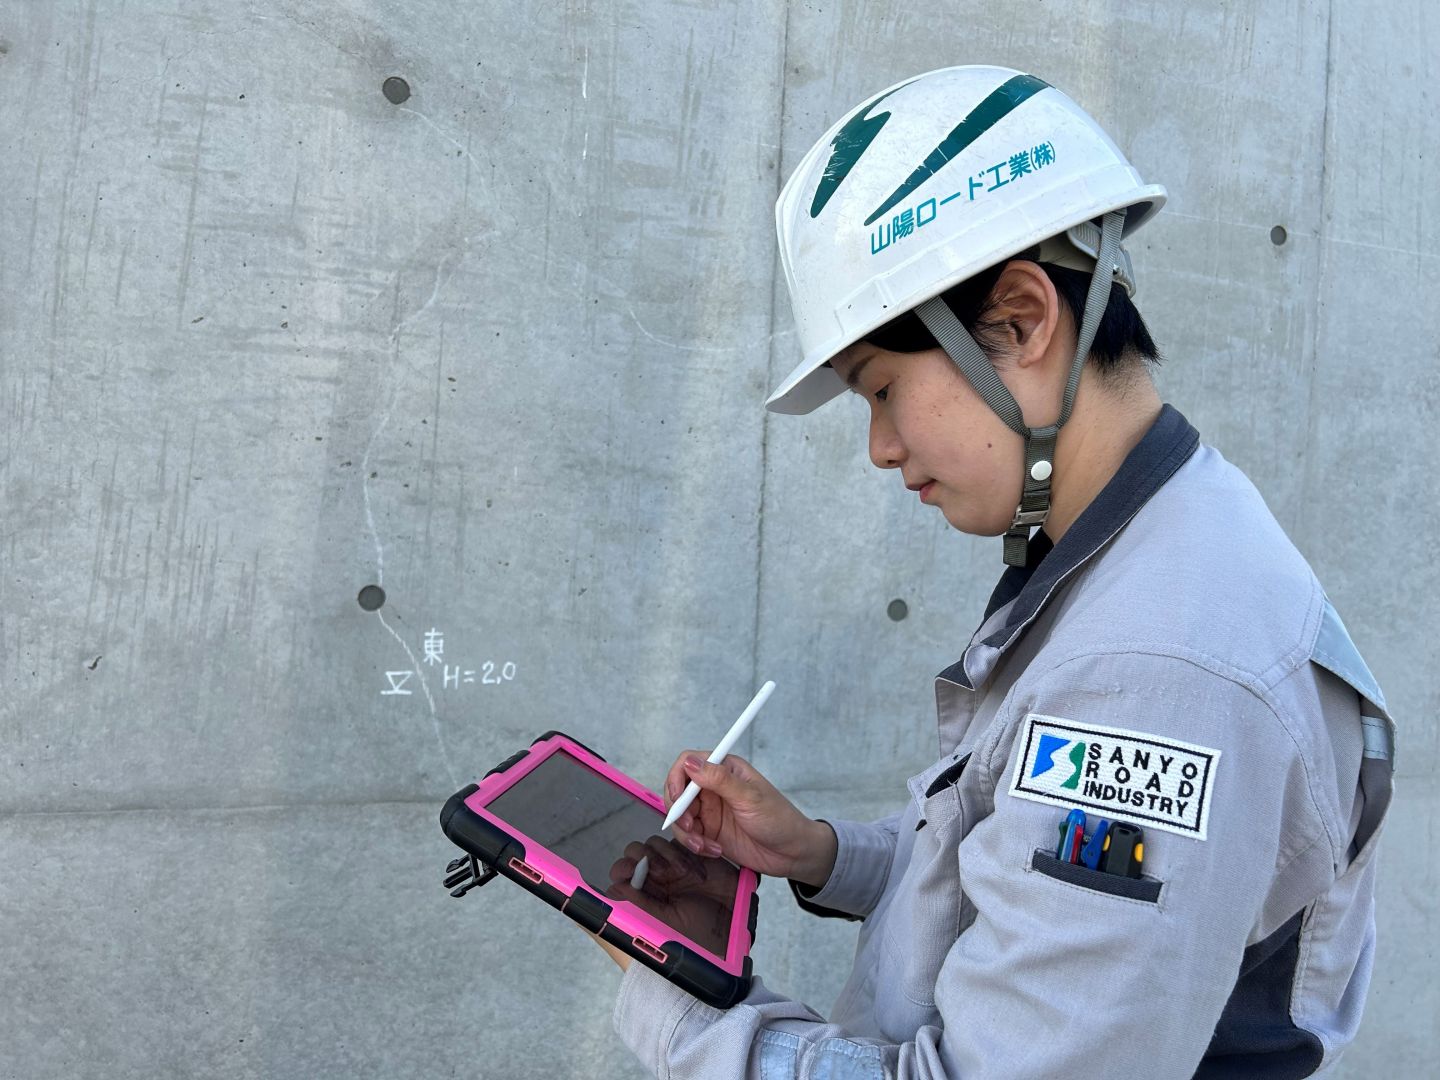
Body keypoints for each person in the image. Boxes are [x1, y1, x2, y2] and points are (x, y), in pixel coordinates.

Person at [594, 65, 1395, 1079]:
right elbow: (1015, 862)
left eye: (882, 389)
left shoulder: (1156, 673)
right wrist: (822, 855)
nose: (881, 447)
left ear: (1019, 320)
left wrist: (678, 1005)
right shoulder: (1144, 541)